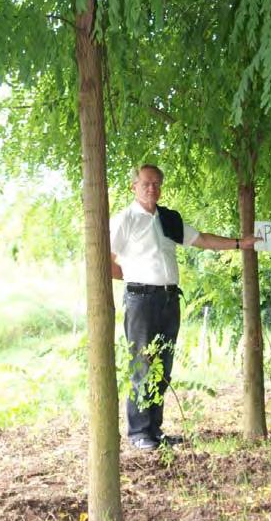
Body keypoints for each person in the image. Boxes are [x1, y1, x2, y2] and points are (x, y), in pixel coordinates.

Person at [110, 163, 261, 451]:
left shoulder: (168, 219)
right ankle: (139, 433)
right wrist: (134, 281)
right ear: (134, 187)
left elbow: (201, 239)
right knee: (143, 364)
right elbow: (106, 259)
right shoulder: (124, 220)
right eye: (145, 183)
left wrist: (241, 244)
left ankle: (155, 430)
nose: (151, 188)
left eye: (156, 183)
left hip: (169, 299)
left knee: (163, 366)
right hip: (140, 300)